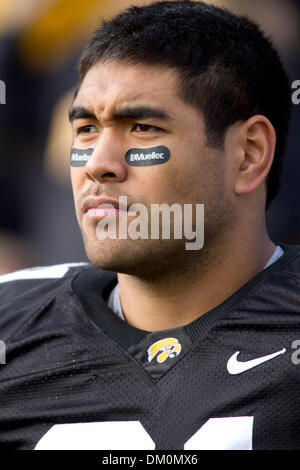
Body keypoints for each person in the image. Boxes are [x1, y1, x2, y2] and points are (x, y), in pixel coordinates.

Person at [0, 0, 299, 450]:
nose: (97, 165)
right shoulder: (11, 323)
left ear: (248, 154)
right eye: (85, 130)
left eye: (141, 127)